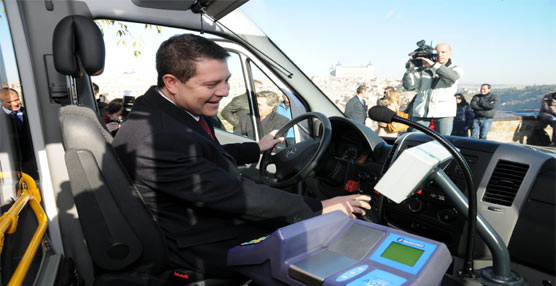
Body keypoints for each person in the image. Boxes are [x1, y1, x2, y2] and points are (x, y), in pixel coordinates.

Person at [112, 34, 371, 278]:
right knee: (322, 251)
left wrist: (256, 148)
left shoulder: (172, 113)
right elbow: (234, 195)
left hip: (204, 219)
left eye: (225, 80)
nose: (224, 92)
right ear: (171, 82)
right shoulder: (159, 136)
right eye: (212, 84)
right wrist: (321, 207)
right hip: (201, 244)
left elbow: (205, 155)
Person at [402, 43, 464, 135]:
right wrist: (409, 70)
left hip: (444, 112)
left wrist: (433, 65)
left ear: (450, 53)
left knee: (444, 142)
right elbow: (410, 86)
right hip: (421, 111)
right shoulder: (423, 69)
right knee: (415, 140)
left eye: (443, 52)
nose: (440, 55)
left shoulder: (455, 68)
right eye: (437, 52)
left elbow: (451, 77)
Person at [1, 87, 38, 178]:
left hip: (32, 160)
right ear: (1, 102)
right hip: (10, 163)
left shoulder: (30, 112)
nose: (15, 104)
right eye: (9, 102)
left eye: (16, 100)